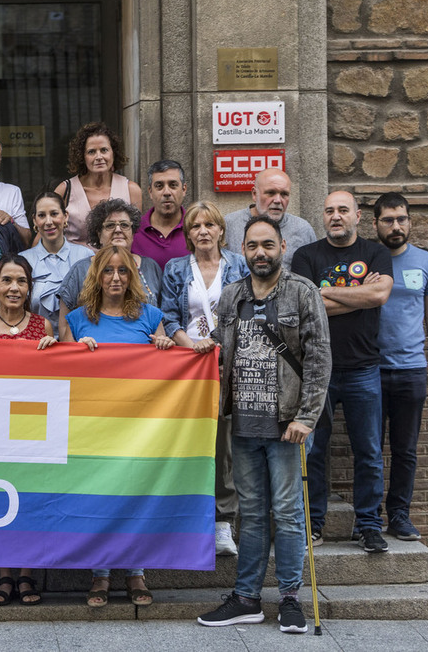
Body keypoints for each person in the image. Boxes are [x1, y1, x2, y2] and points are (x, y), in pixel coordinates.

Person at [196, 215, 331, 634]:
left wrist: (307, 418)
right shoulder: (232, 296)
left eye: (267, 245)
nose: (260, 253)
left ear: (282, 246)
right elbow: (221, 350)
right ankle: (247, 598)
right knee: (251, 516)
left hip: (287, 426)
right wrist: (194, 349)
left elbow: (319, 358)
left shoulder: (302, 293)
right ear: (244, 249)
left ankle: (290, 599)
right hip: (243, 425)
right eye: (252, 246)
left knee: (288, 515)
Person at [61, 245, 172, 607]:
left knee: (134, 497)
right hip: (93, 427)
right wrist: (76, 351)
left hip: (138, 428)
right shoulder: (77, 320)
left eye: (123, 271)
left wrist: (165, 345)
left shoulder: (150, 315)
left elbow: (170, 362)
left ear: (133, 277)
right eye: (108, 271)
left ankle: (137, 572)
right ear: (97, 276)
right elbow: (60, 371)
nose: (115, 278)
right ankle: (101, 574)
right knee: (100, 499)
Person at [292, 190, 393, 552]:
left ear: (357, 216)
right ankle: (313, 525)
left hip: (364, 367)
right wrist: (359, 293)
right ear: (323, 216)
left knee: (368, 450)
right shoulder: (307, 255)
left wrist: (328, 294)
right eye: (329, 210)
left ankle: (368, 526)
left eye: (343, 210)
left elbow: (380, 297)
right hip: (318, 369)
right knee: (314, 450)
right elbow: (307, 307)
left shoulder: (375, 252)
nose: (336, 216)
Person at [159, 200, 249, 556]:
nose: (203, 232)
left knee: (223, 446)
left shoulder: (239, 265)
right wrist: (191, 345)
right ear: (188, 234)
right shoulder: (176, 268)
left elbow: (249, 312)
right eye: (195, 226)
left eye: (209, 225)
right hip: (190, 367)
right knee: (187, 442)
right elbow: (168, 315)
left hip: (230, 366)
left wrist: (220, 346)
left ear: (221, 231)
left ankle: (223, 523)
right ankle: (184, 518)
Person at [0, 254, 55, 606]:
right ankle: (4, 577)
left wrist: (52, 351)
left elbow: (55, 380)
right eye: (7, 280)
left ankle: (28, 575)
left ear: (29, 287)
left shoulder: (43, 328)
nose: (13, 288)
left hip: (32, 430)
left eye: (20, 281)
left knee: (29, 500)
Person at [374, 192, 428, 541]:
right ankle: (370, 515)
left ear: (409, 222)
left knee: (405, 449)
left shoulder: (424, 261)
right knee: (369, 447)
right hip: (369, 370)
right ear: (375, 223)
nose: (395, 226)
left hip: (411, 369)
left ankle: (399, 515)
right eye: (388, 220)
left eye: (401, 219)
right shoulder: (367, 259)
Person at [56, 198, 163, 339]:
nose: (118, 230)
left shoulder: (150, 267)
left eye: (124, 225)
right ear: (99, 234)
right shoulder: (80, 269)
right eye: (110, 225)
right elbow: (65, 326)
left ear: (133, 232)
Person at [54, 122, 142, 248]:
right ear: (82, 157)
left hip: (118, 264)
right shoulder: (65, 190)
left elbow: (136, 238)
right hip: (75, 265)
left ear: (113, 153)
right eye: (91, 152)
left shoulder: (131, 190)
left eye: (104, 150)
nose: (99, 157)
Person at [21, 192, 90, 338]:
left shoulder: (86, 257)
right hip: (34, 345)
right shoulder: (23, 261)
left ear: (65, 216)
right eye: (41, 215)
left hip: (79, 343)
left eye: (54, 214)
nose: (48, 221)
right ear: (34, 220)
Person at [223, 168, 317, 270]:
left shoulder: (302, 229)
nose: (278, 200)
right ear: (254, 194)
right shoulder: (229, 225)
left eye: (284, 194)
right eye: (271, 193)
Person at [132, 160, 189, 270]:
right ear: (150, 192)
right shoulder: (133, 230)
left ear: (184, 189)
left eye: (173, 185)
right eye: (159, 186)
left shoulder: (196, 229)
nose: (167, 192)